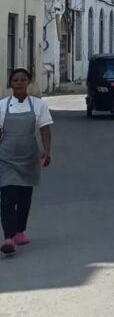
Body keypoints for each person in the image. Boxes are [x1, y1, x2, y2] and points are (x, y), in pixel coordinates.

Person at [0, 68, 53, 256]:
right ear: (10, 84)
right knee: (7, 197)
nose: (19, 83)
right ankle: (8, 237)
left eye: (23, 80)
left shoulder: (38, 105)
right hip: (6, 158)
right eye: (16, 80)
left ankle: (20, 231)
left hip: (29, 157)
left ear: (28, 82)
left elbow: (45, 128)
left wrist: (46, 151)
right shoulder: (2, 106)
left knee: (24, 197)